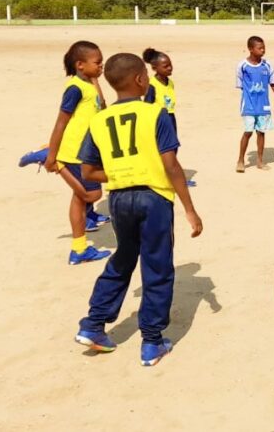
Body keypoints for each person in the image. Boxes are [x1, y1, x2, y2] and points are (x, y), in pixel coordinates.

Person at [73, 53, 204, 366]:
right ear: (141, 80)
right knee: (157, 266)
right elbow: (170, 164)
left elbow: (89, 171)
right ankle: (152, 340)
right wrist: (189, 208)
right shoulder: (154, 113)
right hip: (153, 197)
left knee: (124, 257)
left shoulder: (99, 120)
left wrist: (119, 173)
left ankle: (94, 323)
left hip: (119, 198)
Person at [41, 40, 112, 265]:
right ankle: (50, 161)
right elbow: (61, 122)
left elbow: (103, 106)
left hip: (88, 151)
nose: (101, 66)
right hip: (74, 153)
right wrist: (54, 156)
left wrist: (95, 78)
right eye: (97, 63)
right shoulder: (74, 89)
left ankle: (79, 249)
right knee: (91, 195)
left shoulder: (88, 85)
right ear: (80, 64)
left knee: (81, 198)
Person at [144, 47, 196, 187]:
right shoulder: (152, 86)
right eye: (165, 66)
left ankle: (172, 177)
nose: (169, 68)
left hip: (170, 118)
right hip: (158, 121)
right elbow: (146, 105)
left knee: (173, 148)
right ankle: (163, 179)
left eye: (170, 64)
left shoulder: (170, 82)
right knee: (162, 151)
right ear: (155, 68)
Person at [236, 35, 274, 172]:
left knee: (261, 132)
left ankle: (260, 161)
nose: (263, 50)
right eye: (260, 48)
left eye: (264, 48)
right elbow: (240, 85)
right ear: (251, 49)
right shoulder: (242, 66)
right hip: (249, 105)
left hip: (264, 105)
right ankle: (240, 160)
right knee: (248, 132)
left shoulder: (267, 65)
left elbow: (272, 82)